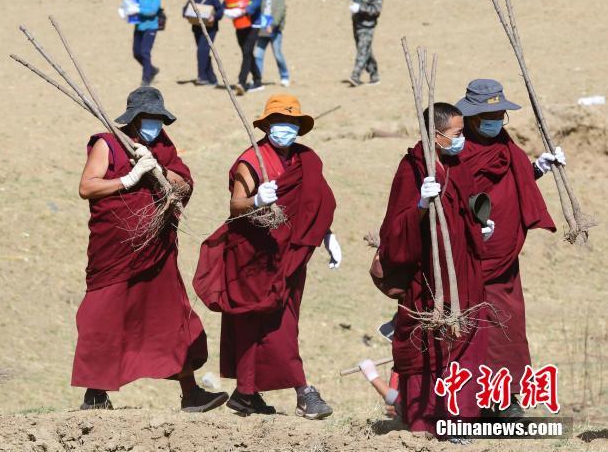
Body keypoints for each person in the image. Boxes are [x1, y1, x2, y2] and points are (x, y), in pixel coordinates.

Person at [73, 86, 227, 413]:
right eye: (148, 118)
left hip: (157, 251)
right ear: (133, 119)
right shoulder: (108, 144)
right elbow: (87, 187)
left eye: (158, 118)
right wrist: (129, 179)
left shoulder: (162, 146)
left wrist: (159, 167)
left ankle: (191, 393)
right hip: (114, 251)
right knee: (103, 317)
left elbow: (185, 184)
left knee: (171, 315)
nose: (154, 124)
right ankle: (95, 395)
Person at [194, 94, 340, 418]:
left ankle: (246, 394)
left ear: (299, 127)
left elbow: (315, 204)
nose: (285, 128)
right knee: (262, 322)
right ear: (266, 125)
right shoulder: (251, 159)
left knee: (285, 321)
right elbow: (236, 205)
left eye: (291, 122)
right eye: (278, 122)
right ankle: (303, 392)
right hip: (254, 256)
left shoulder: (306, 160)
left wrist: (327, 235)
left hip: (291, 255)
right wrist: (257, 200)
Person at [375, 102, 489, 433]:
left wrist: (481, 227)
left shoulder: (457, 164)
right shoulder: (412, 169)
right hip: (427, 277)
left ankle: (461, 421)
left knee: (466, 342)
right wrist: (421, 205)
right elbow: (394, 230)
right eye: (457, 133)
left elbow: (467, 209)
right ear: (436, 135)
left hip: (463, 273)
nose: (462, 138)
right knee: (427, 345)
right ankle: (424, 421)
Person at [455, 79, 559, 417]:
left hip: (504, 255)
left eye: (501, 114)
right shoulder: (457, 148)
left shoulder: (504, 143)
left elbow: (512, 181)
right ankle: (470, 399)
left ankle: (506, 398)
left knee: (507, 325)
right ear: (472, 118)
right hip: (468, 253)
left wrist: (537, 169)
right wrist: (471, 227)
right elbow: (450, 194)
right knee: (470, 324)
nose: (497, 120)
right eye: (490, 116)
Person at [226, 0, 265, 94]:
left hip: (253, 24)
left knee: (247, 51)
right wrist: (227, 10)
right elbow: (227, 0)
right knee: (246, 52)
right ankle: (258, 81)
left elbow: (257, 1)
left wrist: (245, 10)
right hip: (239, 24)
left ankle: (241, 82)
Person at [184, 0, 224, 86]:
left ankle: (202, 76)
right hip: (197, 29)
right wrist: (188, 14)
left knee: (202, 50)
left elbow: (220, 11)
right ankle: (212, 78)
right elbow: (185, 9)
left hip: (210, 30)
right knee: (204, 52)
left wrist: (214, 17)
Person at [253, 0, 290, 87]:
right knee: (258, 55)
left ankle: (284, 76)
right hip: (263, 31)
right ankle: (257, 78)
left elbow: (279, 14)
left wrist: (272, 25)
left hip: (275, 32)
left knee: (278, 55)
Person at [348, 0, 382, 86]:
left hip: (367, 27)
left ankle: (355, 76)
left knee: (362, 51)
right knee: (365, 50)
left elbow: (376, 11)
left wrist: (360, 9)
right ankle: (374, 75)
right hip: (357, 24)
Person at [133, 0, 164, 87]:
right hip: (139, 26)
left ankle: (146, 79)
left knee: (145, 52)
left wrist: (138, 10)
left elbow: (152, 11)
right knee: (136, 53)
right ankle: (151, 69)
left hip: (151, 27)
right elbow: (132, 3)